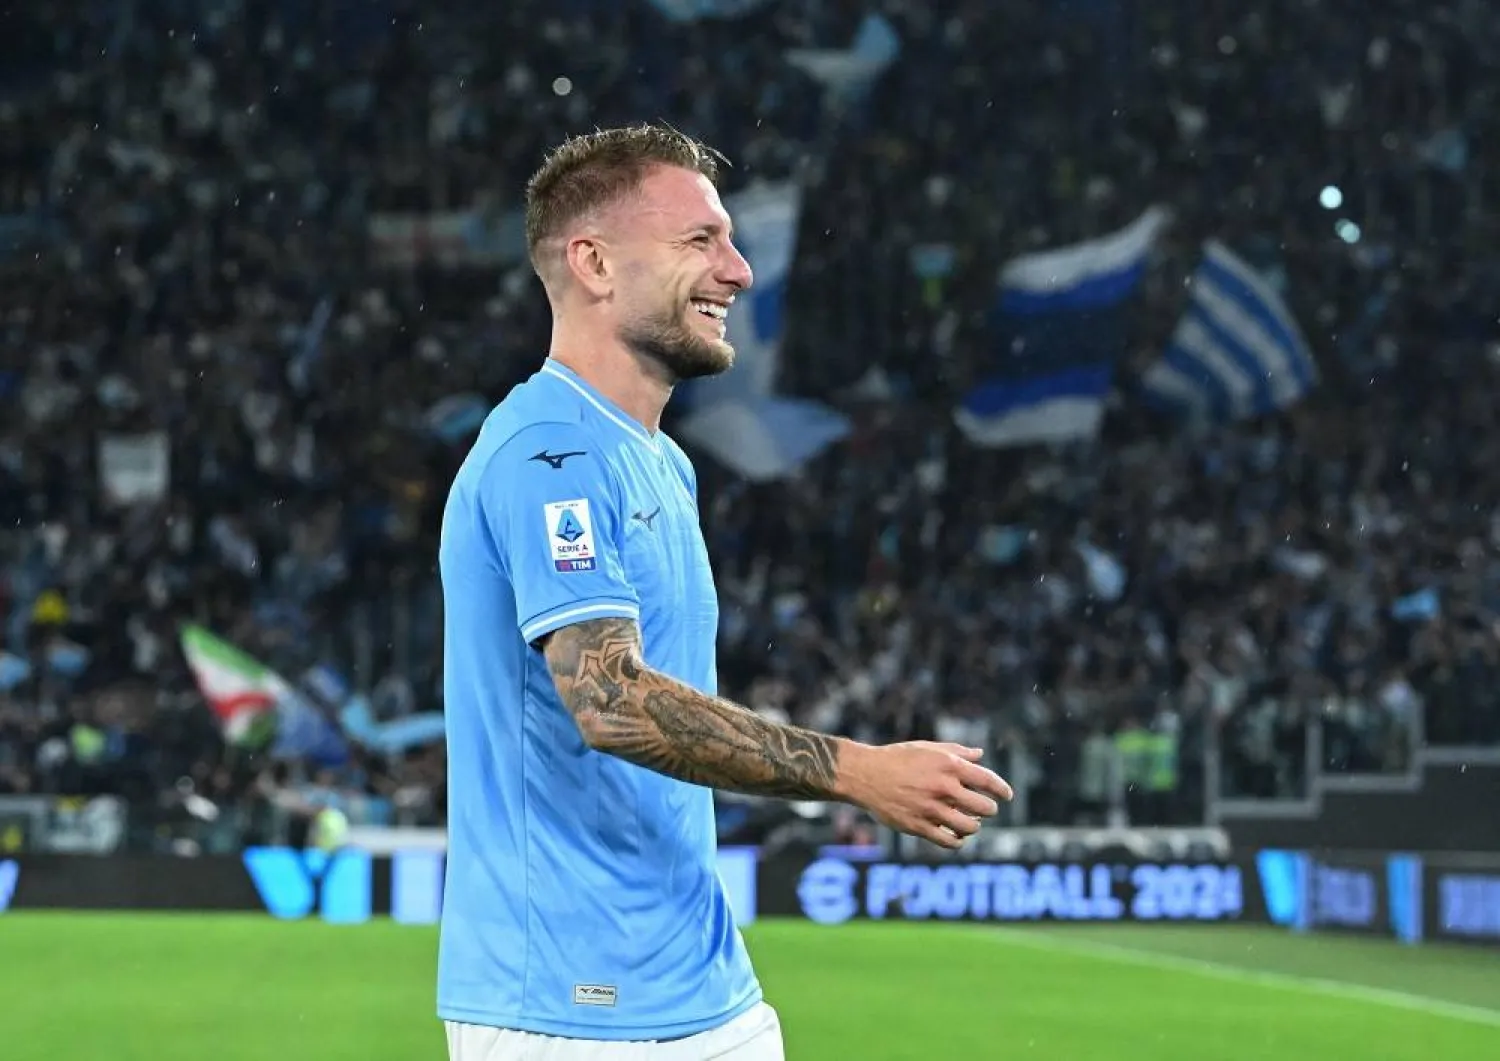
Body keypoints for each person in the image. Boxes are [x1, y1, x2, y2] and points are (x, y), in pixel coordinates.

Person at [436, 123, 1014, 1060]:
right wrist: (855, 771)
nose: (738, 272)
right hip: (575, 1000)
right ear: (594, 263)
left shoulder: (658, 461)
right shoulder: (548, 453)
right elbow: (611, 702)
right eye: (700, 241)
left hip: (705, 985)